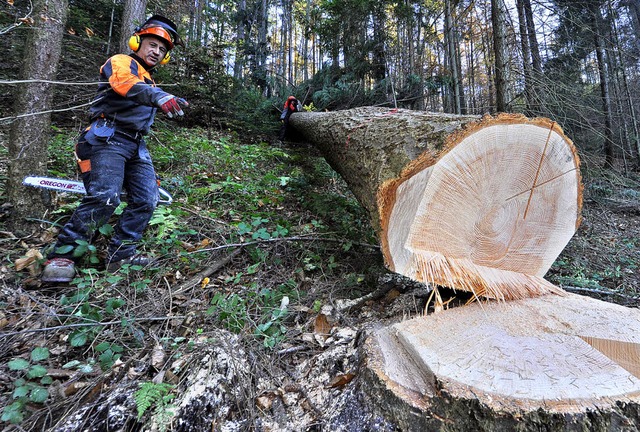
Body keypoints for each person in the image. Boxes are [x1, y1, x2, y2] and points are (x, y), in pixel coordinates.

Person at [41, 14, 188, 283]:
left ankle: (121, 254)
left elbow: (144, 92)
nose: (156, 52)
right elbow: (125, 85)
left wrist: (160, 94)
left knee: (147, 199)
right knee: (106, 196)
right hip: (107, 138)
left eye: (162, 50)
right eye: (153, 45)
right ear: (137, 42)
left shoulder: (150, 81)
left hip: (135, 145)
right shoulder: (122, 63)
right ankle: (64, 255)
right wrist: (161, 96)